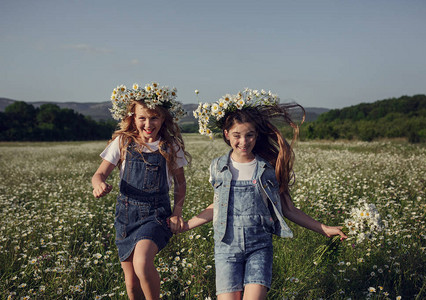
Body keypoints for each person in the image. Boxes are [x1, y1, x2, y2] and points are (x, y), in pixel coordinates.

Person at [187, 88, 347, 299]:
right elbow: (217, 206)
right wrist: (184, 225)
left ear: (257, 135)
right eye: (237, 135)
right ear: (226, 135)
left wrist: (324, 228)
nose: (243, 142)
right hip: (226, 248)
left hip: (259, 248)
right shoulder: (218, 167)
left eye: (249, 135)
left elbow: (288, 209)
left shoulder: (268, 168)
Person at [91, 82, 190, 300]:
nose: (148, 123)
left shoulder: (170, 146)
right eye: (142, 118)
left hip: (156, 215)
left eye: (154, 117)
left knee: (142, 262)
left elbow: (181, 183)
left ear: (163, 118)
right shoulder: (123, 142)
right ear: (133, 118)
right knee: (131, 283)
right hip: (126, 217)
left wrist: (177, 212)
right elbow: (99, 174)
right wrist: (98, 184)